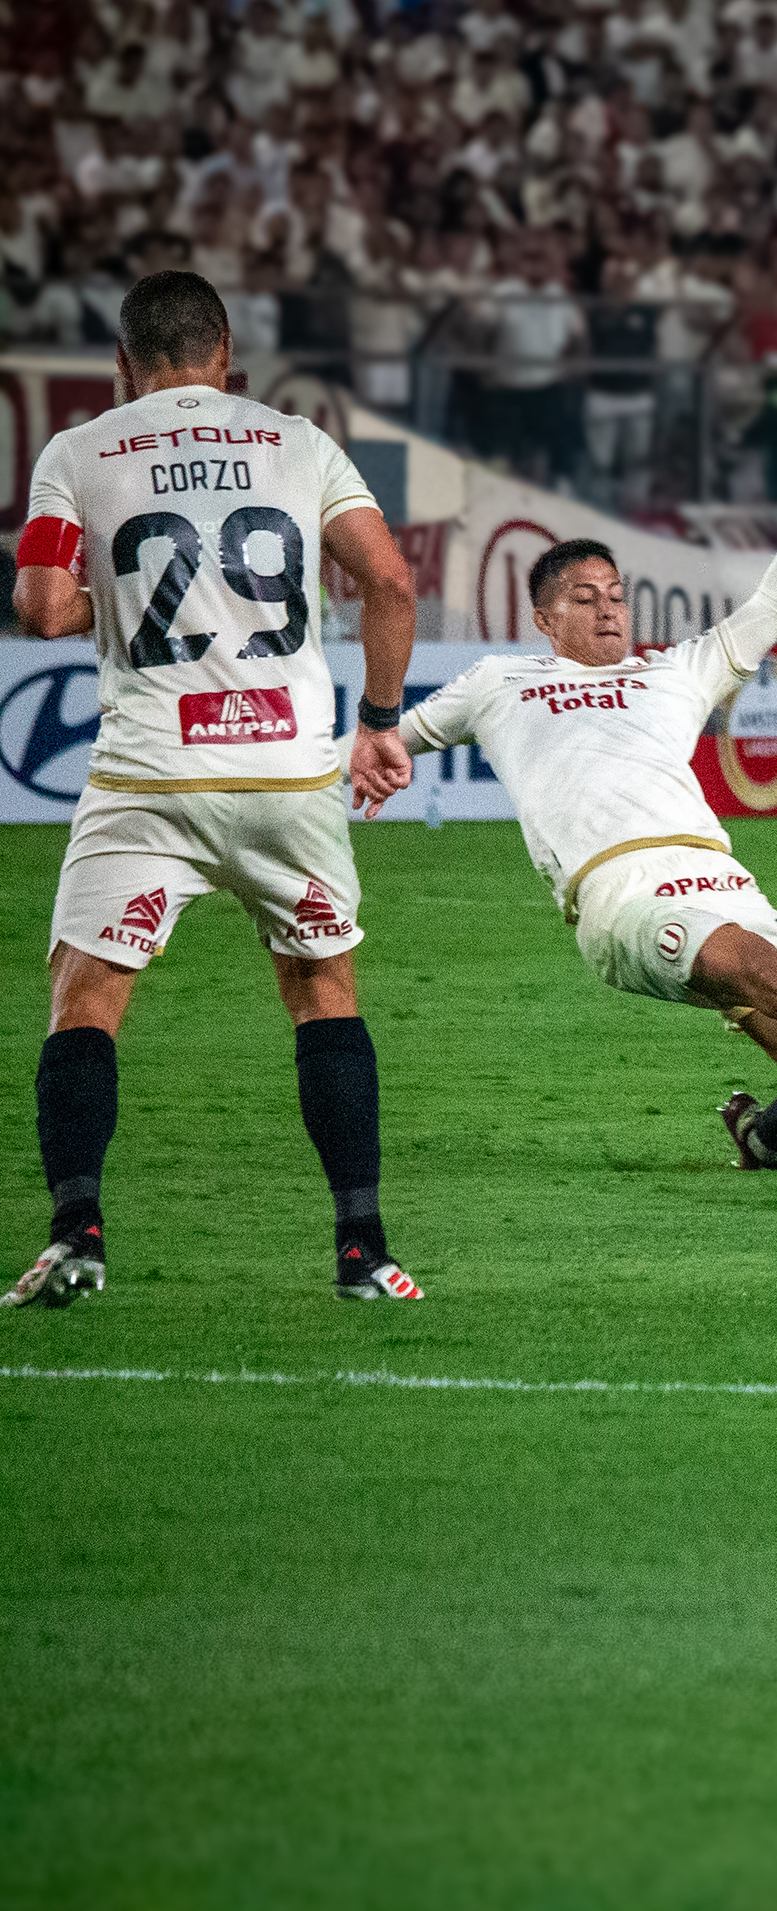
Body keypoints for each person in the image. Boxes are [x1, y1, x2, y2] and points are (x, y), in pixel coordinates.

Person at [395, 409, 777, 1172]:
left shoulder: (674, 671)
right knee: (769, 976)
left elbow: (775, 604)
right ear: (544, 617)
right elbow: (386, 741)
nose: (608, 608)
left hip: (719, 874)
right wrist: (336, 761)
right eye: (585, 597)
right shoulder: (498, 682)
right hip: (622, 892)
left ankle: (760, 1139)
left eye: (616, 594)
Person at [7, 270, 420, 1307]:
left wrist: (119, 592)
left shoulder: (79, 452)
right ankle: (365, 1252)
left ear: (122, 363)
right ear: (226, 355)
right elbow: (390, 580)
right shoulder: (298, 441)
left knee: (86, 999)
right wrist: (377, 720)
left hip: (152, 773)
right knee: (322, 991)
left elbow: (42, 607)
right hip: (287, 769)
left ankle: (76, 1235)